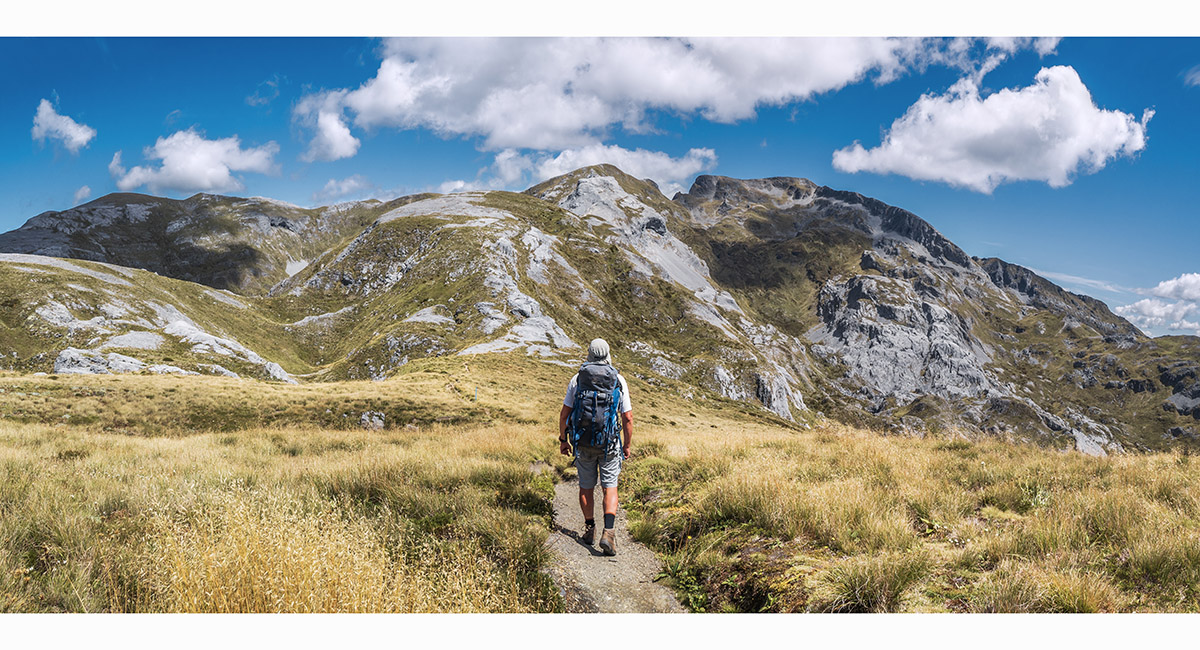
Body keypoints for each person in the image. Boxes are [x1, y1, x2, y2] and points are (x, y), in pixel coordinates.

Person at [559, 338, 633, 556]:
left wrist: (564, 440)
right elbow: (627, 417)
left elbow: (565, 414)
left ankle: (590, 528)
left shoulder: (577, 379)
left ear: (589, 354)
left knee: (586, 486)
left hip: (583, 442)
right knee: (610, 486)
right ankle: (608, 532)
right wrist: (626, 445)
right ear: (608, 354)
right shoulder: (618, 380)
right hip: (609, 444)